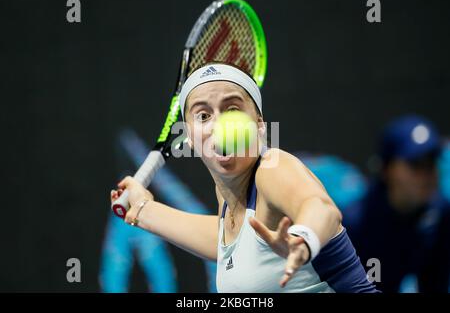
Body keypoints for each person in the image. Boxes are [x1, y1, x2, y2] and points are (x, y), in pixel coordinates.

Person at [111, 63, 378, 293]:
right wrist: (143, 209)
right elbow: (224, 242)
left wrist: (304, 239)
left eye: (233, 110)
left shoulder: (272, 168)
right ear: (189, 137)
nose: (219, 125)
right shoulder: (229, 200)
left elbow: (321, 208)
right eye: (203, 115)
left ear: (260, 126)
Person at [343, 115, 450, 292]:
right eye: (416, 164)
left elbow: (435, 283)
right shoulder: (357, 225)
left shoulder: (440, 211)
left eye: (431, 162)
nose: (427, 174)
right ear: (386, 170)